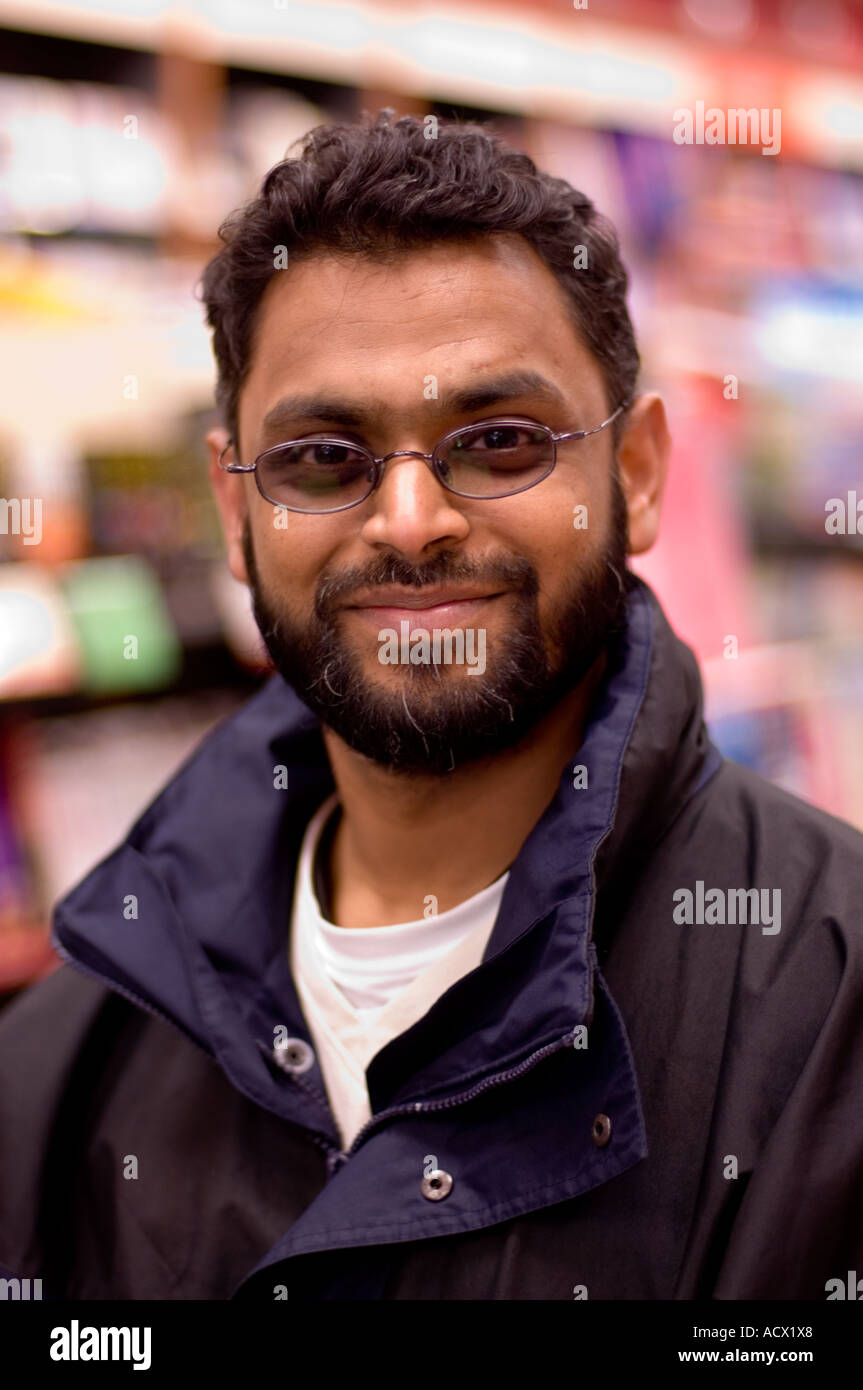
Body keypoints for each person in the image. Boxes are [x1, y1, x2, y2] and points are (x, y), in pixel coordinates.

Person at [1, 110, 862, 1302]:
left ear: (637, 474)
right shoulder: (60, 1061)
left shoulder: (831, 1007)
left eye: (499, 441)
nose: (409, 521)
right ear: (233, 509)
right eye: (320, 459)